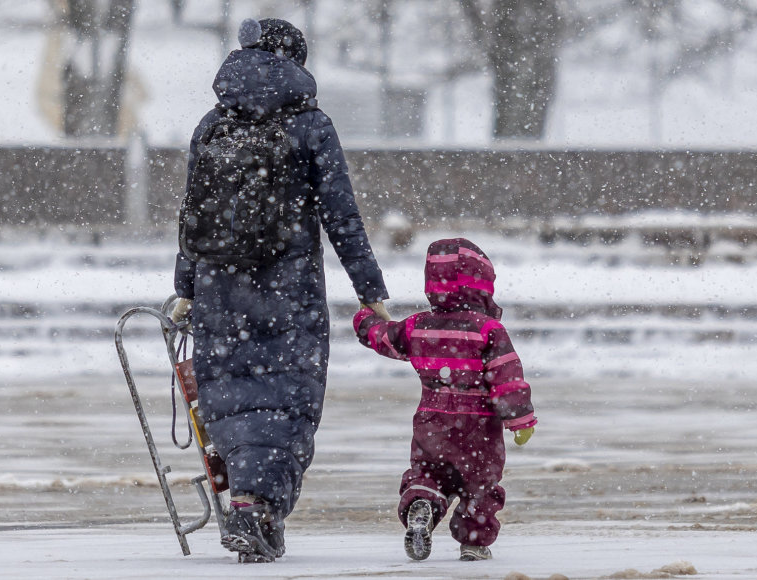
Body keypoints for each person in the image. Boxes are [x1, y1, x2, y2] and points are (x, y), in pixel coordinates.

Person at [170, 17, 390, 563]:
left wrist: (186, 287)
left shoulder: (211, 126)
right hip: (290, 288)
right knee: (286, 399)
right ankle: (258, 507)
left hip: (221, 287)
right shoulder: (311, 126)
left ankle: (246, 502)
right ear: (297, 62)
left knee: (233, 395)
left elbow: (193, 216)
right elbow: (342, 215)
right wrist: (370, 289)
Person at [352, 237, 536, 562]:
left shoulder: (419, 326)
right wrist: (519, 419)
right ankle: (474, 541)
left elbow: (385, 338)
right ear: (482, 284)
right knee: (480, 484)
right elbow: (506, 376)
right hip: (478, 426)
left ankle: (422, 502)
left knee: (428, 472)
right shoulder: (488, 330)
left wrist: (366, 320)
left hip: (432, 422)